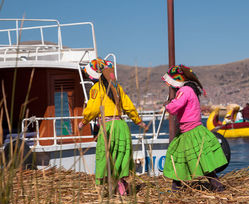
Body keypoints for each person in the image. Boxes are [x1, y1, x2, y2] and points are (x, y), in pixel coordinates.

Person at [78, 58, 148, 196]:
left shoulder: (96, 88)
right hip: (121, 127)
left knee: (108, 159)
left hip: (108, 128)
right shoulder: (117, 87)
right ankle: (121, 186)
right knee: (118, 158)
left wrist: (84, 122)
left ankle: (120, 189)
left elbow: (92, 109)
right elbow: (128, 106)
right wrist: (138, 121)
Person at [162, 64, 228, 192]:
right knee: (179, 158)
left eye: (170, 82)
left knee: (197, 159)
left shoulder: (185, 91)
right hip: (188, 131)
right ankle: (176, 188)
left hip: (191, 132)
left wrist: (168, 105)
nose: (169, 85)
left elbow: (175, 107)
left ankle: (217, 186)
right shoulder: (190, 90)